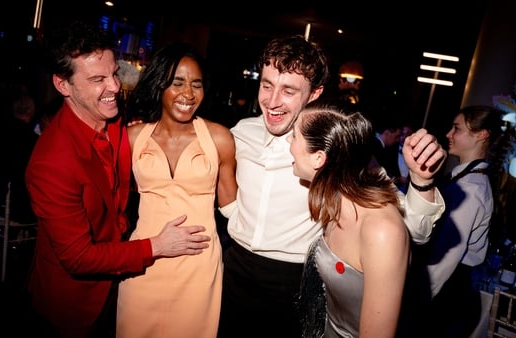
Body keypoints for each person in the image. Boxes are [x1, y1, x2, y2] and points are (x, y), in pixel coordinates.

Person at [217, 35, 447, 338]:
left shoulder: (337, 152)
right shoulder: (240, 133)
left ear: (315, 93)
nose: (272, 101)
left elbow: (414, 230)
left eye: (288, 90)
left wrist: (422, 181)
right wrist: (235, 215)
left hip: (295, 283)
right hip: (234, 271)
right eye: (267, 85)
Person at [24, 21, 212, 338]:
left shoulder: (114, 121)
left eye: (114, 73)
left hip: (120, 288)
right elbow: (79, 257)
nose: (114, 86)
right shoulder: (50, 162)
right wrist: (157, 246)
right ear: (63, 85)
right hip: (73, 306)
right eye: (98, 79)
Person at [115, 41, 237, 338]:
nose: (188, 93)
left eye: (196, 84)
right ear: (160, 85)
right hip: (144, 261)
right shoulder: (132, 137)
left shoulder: (219, 138)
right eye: (177, 82)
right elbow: (113, 199)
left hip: (198, 265)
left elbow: (233, 209)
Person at [289, 103, 409, 337]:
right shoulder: (338, 203)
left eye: (294, 136)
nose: (289, 144)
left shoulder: (381, 231)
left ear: (318, 158)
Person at [409, 105, 507, 337]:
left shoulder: (470, 188)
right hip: (453, 288)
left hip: (449, 292)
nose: (448, 134)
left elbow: (447, 256)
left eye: (457, 128)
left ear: (481, 135)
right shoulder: (466, 178)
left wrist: (417, 298)